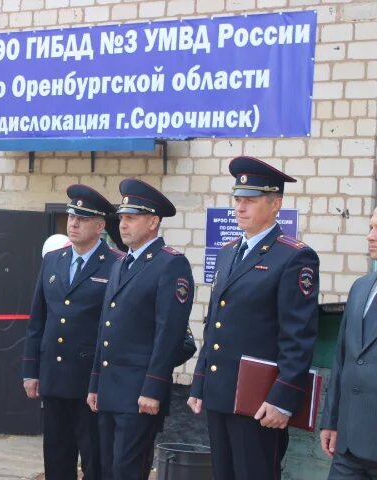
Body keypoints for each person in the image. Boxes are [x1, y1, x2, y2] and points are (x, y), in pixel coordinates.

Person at [187, 156, 320, 480]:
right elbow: (215, 321)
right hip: (221, 393)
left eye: (251, 200)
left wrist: (283, 399)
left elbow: (298, 336)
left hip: (259, 401)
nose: (240, 208)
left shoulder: (293, 256)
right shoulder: (229, 252)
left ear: (276, 204)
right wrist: (200, 382)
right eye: (237, 200)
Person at [87, 178, 194, 480]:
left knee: (127, 471)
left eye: (131, 218)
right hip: (110, 389)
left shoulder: (170, 265)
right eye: (122, 218)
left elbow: (168, 333)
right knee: (106, 470)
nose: (123, 225)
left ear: (153, 222)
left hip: (139, 394)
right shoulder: (122, 263)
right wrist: (95, 382)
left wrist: (152, 387)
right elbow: (105, 330)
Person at [22, 184, 124, 480]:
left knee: (95, 461)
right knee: (56, 458)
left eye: (83, 218)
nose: (74, 223)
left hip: (90, 382)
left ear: (101, 225)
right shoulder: (54, 259)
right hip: (53, 377)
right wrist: (31, 370)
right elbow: (38, 318)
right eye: (71, 217)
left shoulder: (115, 263)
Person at [320, 206, 377, 479]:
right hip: (349, 447)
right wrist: (331, 421)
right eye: (370, 227)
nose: (370, 236)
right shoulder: (361, 288)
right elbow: (342, 359)